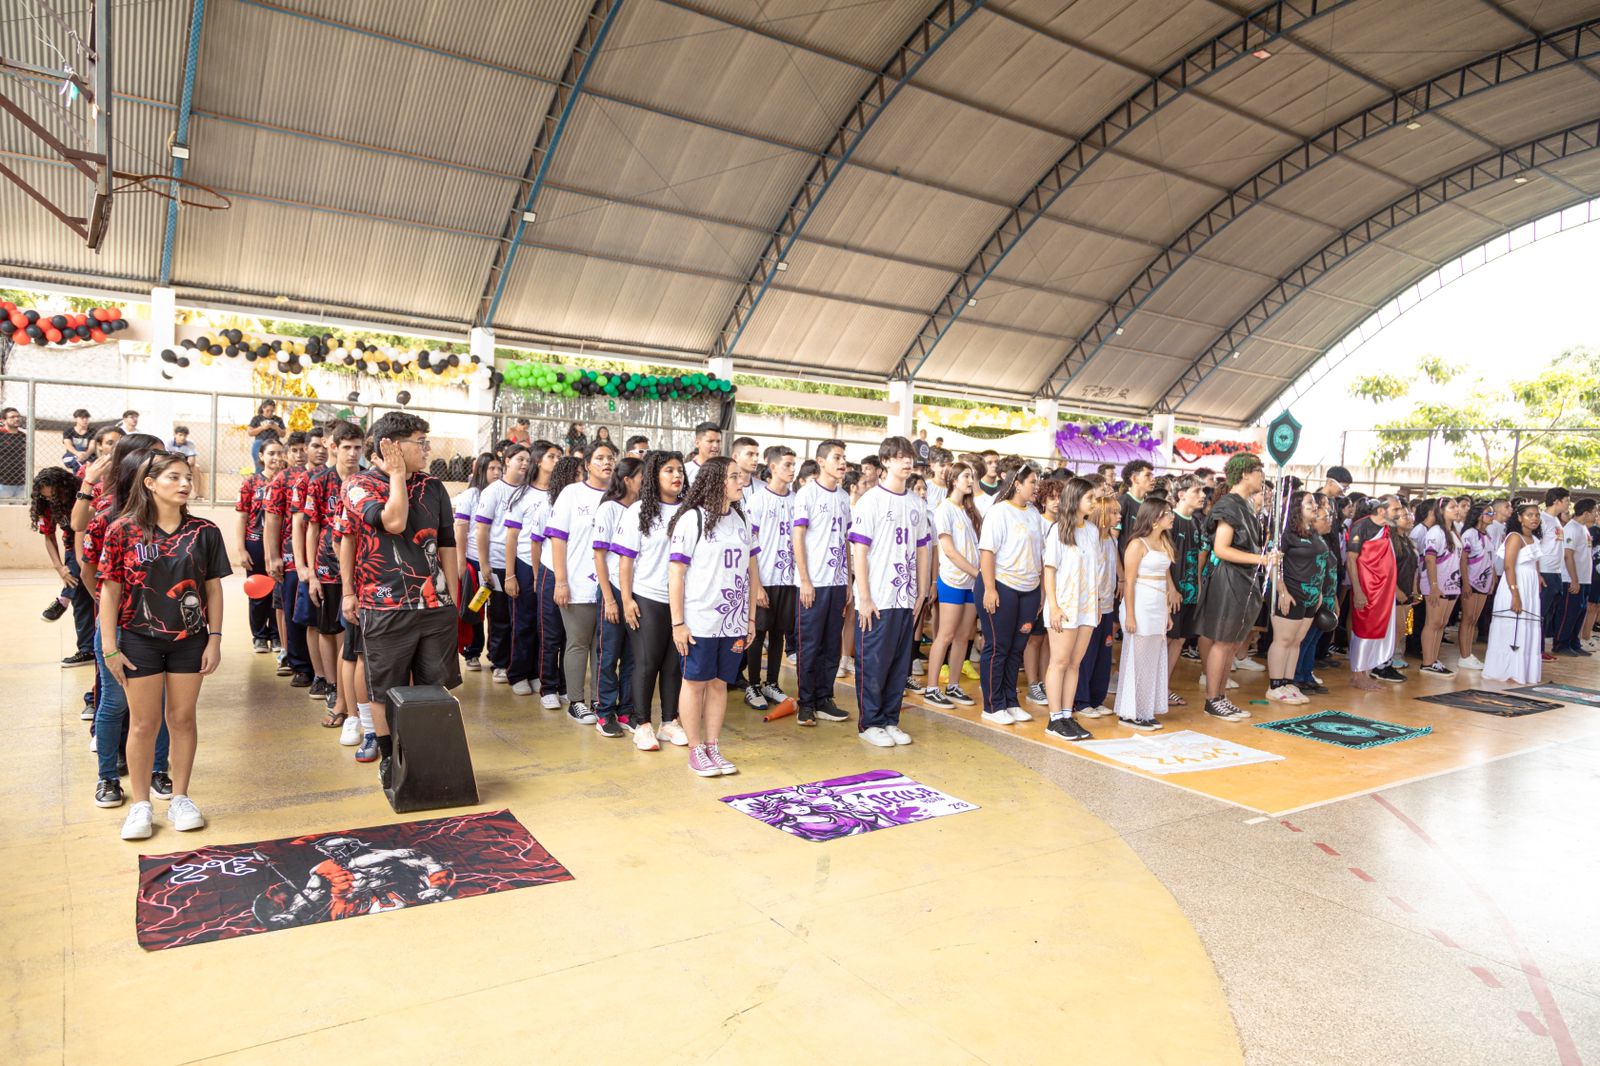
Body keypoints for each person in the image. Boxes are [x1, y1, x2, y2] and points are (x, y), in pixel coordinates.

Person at [98, 452, 230, 840]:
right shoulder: (123, 530)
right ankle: (140, 805)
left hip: (190, 641)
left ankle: (180, 798)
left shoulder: (205, 531)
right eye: (173, 477)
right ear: (150, 483)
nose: (184, 483)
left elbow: (213, 588)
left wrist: (215, 638)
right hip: (138, 639)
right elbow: (110, 590)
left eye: (188, 477)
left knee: (183, 719)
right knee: (143, 723)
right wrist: (109, 646)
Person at [341, 411, 460, 788]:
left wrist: (451, 597)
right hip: (385, 604)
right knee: (385, 684)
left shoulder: (433, 487)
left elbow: (446, 544)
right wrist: (396, 476)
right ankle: (390, 753)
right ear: (390, 447)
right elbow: (392, 522)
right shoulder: (359, 485)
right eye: (419, 442)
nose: (426, 449)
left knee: (434, 684)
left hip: (434, 605)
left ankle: (426, 753)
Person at [80, 435, 174, 806]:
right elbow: (91, 575)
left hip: (159, 631)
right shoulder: (108, 517)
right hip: (119, 629)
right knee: (116, 704)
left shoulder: (172, 521)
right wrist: (110, 617)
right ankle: (107, 779)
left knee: (158, 705)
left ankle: (158, 771)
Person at [669, 456, 756, 776]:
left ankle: (713, 746)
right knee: (694, 683)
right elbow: (675, 574)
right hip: (700, 620)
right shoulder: (692, 519)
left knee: (720, 684)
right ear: (716, 480)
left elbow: (750, 569)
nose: (741, 482)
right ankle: (695, 749)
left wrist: (750, 618)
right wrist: (678, 622)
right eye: (734, 476)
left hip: (732, 620)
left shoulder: (741, 519)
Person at [849, 436, 929, 748]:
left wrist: (922, 590)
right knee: (874, 660)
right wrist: (864, 596)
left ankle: (890, 719)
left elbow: (924, 548)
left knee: (899, 661)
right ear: (885, 462)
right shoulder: (871, 500)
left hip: (906, 596)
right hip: (878, 595)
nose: (906, 462)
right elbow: (859, 550)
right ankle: (870, 722)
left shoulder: (916, 503)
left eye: (908, 457)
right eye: (898, 457)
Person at [616, 450, 689, 751]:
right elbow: (625, 561)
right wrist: (626, 599)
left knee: (674, 664)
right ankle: (642, 724)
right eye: (669, 470)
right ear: (654, 477)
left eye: (680, 471)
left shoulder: (689, 511)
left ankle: (669, 722)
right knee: (647, 663)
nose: (676, 476)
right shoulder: (639, 511)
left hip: (681, 601)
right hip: (647, 596)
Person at [1195, 453, 1273, 720]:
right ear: (1245, 474)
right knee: (1223, 641)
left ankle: (1222, 697)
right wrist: (1260, 559)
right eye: (1259, 472)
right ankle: (1212, 699)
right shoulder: (1229, 504)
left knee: (1232, 642)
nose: (1262, 478)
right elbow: (1222, 548)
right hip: (1228, 579)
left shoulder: (1247, 505)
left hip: (1244, 580)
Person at [547, 439, 617, 724]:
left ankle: (600, 699)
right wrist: (561, 581)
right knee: (577, 643)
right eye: (599, 458)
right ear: (587, 464)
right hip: (576, 582)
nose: (606, 462)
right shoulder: (571, 493)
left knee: (603, 646)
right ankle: (576, 701)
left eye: (610, 457)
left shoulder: (618, 495)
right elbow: (558, 539)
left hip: (609, 587)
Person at [304, 421, 364, 742]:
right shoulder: (320, 482)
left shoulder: (367, 480)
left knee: (351, 638)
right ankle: (333, 689)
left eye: (358, 447)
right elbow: (311, 528)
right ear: (333, 447)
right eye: (347, 447)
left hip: (360, 570)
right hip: (327, 568)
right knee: (330, 630)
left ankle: (348, 701)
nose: (353, 454)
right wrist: (311, 572)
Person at [976, 461, 1043, 724]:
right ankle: (992, 706)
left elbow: (1040, 554)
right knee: (998, 647)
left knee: (1017, 648)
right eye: (1032, 482)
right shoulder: (999, 512)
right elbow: (987, 552)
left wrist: (1040, 593)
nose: (1036, 487)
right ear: (1017, 484)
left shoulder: (1034, 513)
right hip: (1001, 585)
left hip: (1028, 589)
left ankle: (1010, 701)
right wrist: (990, 588)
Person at [791, 439, 852, 726]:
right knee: (810, 644)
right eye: (837, 457)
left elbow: (846, 541)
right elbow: (798, 538)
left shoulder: (843, 496)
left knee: (831, 644)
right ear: (821, 461)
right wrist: (805, 580)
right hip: (813, 583)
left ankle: (825, 698)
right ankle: (806, 703)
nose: (842, 463)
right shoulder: (807, 494)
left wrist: (849, 580)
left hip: (838, 583)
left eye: (844, 458)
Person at [1041, 477, 1099, 740]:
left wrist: (1096, 605)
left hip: (1086, 607)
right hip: (1064, 605)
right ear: (1075, 499)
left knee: (1075, 663)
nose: (1094, 503)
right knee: (1060, 661)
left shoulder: (1092, 531)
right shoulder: (1058, 530)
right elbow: (1049, 571)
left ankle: (1067, 714)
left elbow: (1094, 572)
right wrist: (1053, 606)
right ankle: (1054, 719)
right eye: (1090, 498)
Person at [505, 442, 562, 706]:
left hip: (551, 565)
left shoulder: (562, 494)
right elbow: (512, 537)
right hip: (526, 565)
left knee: (547, 626)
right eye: (552, 456)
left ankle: (540, 673)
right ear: (539, 461)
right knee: (525, 621)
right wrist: (510, 574)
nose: (557, 460)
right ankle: (518, 674)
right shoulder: (523, 495)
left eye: (560, 456)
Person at [1115, 498, 1179, 729]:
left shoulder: (1164, 542)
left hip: (1156, 605)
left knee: (1152, 659)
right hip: (1139, 604)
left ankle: (1145, 709)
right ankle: (1130, 712)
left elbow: (1163, 579)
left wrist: (1167, 613)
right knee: (1137, 658)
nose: (1171, 517)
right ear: (1154, 518)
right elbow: (1129, 583)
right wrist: (1130, 615)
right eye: (1167, 514)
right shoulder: (1137, 544)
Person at [924, 461, 981, 709]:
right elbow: (949, 551)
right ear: (954, 480)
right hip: (952, 580)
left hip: (970, 582)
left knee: (963, 637)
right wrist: (978, 574)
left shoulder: (968, 511)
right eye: (966, 476)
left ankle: (954, 684)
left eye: (972, 476)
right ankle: (932, 687)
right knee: (945, 635)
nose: (970, 480)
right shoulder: (944, 509)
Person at [592, 456, 643, 737]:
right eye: (641, 476)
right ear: (627, 480)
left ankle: (627, 710)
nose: (645, 481)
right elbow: (599, 557)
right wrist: (610, 599)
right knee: (609, 654)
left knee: (633, 656)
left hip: (636, 592)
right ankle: (604, 711)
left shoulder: (642, 509)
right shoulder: (609, 509)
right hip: (612, 589)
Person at [744, 445, 796, 712]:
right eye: (787, 464)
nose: (791, 469)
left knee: (780, 634)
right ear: (773, 467)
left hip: (788, 578)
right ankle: (752, 684)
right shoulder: (757, 500)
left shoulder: (796, 499)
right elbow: (749, 545)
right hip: (765, 577)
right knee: (758, 631)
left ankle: (771, 682)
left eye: (793, 464)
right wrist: (758, 585)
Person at [474, 445, 532, 686]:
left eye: (528, 460)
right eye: (520, 459)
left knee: (519, 615)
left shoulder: (528, 491)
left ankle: (517, 663)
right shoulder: (494, 491)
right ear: (507, 461)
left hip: (522, 561)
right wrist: (484, 564)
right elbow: (482, 530)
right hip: (497, 561)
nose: (525, 464)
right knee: (499, 615)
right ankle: (499, 662)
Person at [1266, 491, 1324, 704]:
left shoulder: (1313, 533)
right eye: (1310, 502)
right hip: (1290, 593)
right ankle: (1275, 685)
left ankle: (1288, 682)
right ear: (1297, 507)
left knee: (1296, 641)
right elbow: (1274, 563)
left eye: (1315, 503)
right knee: (1283, 639)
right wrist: (1281, 590)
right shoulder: (1285, 533)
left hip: (1310, 596)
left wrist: (1319, 593)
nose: (1315, 506)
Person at [265, 432, 313, 687]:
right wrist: (273, 556)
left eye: (305, 448)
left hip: (322, 555)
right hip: (291, 554)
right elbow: (272, 519)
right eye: (295, 450)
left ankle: (320, 668)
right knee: (294, 610)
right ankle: (300, 665)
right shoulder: (282, 480)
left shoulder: (325, 476)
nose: (301, 453)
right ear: (287, 454)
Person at [31, 467, 95, 659]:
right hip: (71, 550)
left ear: (64, 487)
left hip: (92, 545)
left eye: (54, 496)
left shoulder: (82, 494)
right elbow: (49, 537)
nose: (51, 500)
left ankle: (63, 600)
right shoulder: (46, 505)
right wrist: (59, 568)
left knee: (81, 594)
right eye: (47, 498)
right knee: (80, 598)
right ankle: (86, 650)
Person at [1073, 486, 1121, 720]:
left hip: (1108, 605)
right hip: (1093, 605)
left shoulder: (1111, 538)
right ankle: (1081, 700)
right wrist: (1095, 600)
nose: (1118, 517)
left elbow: (1112, 566)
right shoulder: (1091, 536)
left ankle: (1096, 697)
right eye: (1113, 513)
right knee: (1087, 654)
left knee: (1105, 653)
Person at [1347, 495, 1403, 690]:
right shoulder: (1361, 527)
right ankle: (1357, 674)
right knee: (1363, 630)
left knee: (1376, 629)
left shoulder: (1386, 528)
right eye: (1396, 509)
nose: (1399, 513)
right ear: (1381, 510)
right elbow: (1351, 560)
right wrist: (1359, 591)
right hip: (1367, 588)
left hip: (1382, 591)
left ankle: (1365, 671)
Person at [1484, 501, 1543, 685]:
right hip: (1515, 584)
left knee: (1527, 627)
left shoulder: (1534, 538)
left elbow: (1534, 561)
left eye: (1537, 515)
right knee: (1512, 628)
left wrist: (1539, 576)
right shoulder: (1515, 537)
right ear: (1519, 518)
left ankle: (1523, 670)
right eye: (1530, 515)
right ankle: (1508, 669)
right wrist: (1515, 595)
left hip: (1530, 585)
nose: (1534, 518)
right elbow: (1509, 566)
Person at [452, 453, 501, 671]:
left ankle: (496, 655)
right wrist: (461, 562)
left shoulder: (501, 493)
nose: (497, 473)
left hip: (495, 561)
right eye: (492, 469)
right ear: (481, 470)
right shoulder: (471, 495)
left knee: (496, 611)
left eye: (499, 469)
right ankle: (472, 651)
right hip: (473, 562)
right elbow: (460, 530)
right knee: (475, 608)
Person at [236, 440, 283, 651]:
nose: (276, 457)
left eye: (279, 453)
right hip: (255, 542)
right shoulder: (251, 483)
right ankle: (259, 636)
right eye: (271, 453)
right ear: (261, 456)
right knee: (258, 591)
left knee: (277, 591)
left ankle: (276, 634)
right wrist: (241, 549)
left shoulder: (286, 481)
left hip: (279, 544)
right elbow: (241, 517)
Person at [1166, 475, 1207, 700]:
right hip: (1173, 591)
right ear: (1181, 495)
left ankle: (1165, 686)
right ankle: (1153, 688)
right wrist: (1170, 588)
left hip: (1190, 591)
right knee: (1166, 639)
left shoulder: (1197, 522)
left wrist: (1198, 586)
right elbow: (1162, 557)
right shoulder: (1171, 520)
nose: (1202, 496)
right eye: (1197, 491)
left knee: (1180, 639)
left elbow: (1199, 559)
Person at [1415, 498, 1462, 677]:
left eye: (1457, 506)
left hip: (1452, 584)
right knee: (1433, 623)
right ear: (1441, 511)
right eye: (1452, 507)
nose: (1457, 510)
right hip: (1437, 584)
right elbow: (1430, 558)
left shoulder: (1453, 531)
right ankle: (1427, 662)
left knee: (1441, 624)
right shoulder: (1436, 531)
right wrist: (1434, 586)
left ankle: (1433, 660)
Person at [1554, 498, 1596, 655]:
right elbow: (1568, 555)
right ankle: (1560, 644)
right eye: (1595, 511)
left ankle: (1573, 642)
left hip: (1584, 579)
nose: (1596, 514)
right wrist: (1574, 579)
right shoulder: (1571, 528)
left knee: (1580, 613)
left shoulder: (1583, 528)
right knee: (1568, 613)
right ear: (1586, 513)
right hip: (1572, 579)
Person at [1457, 501, 1495, 671]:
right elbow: (1463, 559)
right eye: (1488, 513)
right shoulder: (1470, 534)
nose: (1491, 516)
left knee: (1474, 620)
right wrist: (1465, 583)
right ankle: (1464, 655)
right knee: (1467, 618)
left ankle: (1469, 654)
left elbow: (1490, 559)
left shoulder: (1487, 534)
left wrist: (1492, 579)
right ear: (1479, 515)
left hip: (1484, 582)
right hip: (1471, 581)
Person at [1537, 488, 1570, 660]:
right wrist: (1538, 573)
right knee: (1540, 613)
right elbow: (1535, 546)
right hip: (1545, 571)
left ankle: (1541, 648)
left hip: (1556, 572)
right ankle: (1537, 649)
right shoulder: (1542, 519)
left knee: (1548, 614)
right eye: (1566, 500)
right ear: (1557, 501)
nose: (1568, 504)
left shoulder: (1556, 521)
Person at [1118, 459, 1155, 556]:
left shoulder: (1151, 504)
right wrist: (1121, 571)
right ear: (1134, 478)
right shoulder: (1121, 503)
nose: (1152, 479)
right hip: (1127, 563)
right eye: (1147, 475)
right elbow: (1113, 541)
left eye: (1152, 475)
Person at [246, 400, 286, 473]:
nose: (270, 413)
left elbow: (283, 434)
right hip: (260, 443)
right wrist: (263, 427)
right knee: (260, 466)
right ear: (263, 408)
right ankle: (259, 481)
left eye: (272, 411)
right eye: (267, 410)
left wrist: (276, 427)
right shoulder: (257, 418)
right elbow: (250, 432)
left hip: (274, 444)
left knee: (276, 467)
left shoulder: (278, 419)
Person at [0, 406, 25, 498]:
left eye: (18, 416)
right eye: (12, 417)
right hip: (3, 482)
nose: (16, 419)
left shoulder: (23, 437)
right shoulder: (1, 435)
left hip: (21, 483)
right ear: (3, 420)